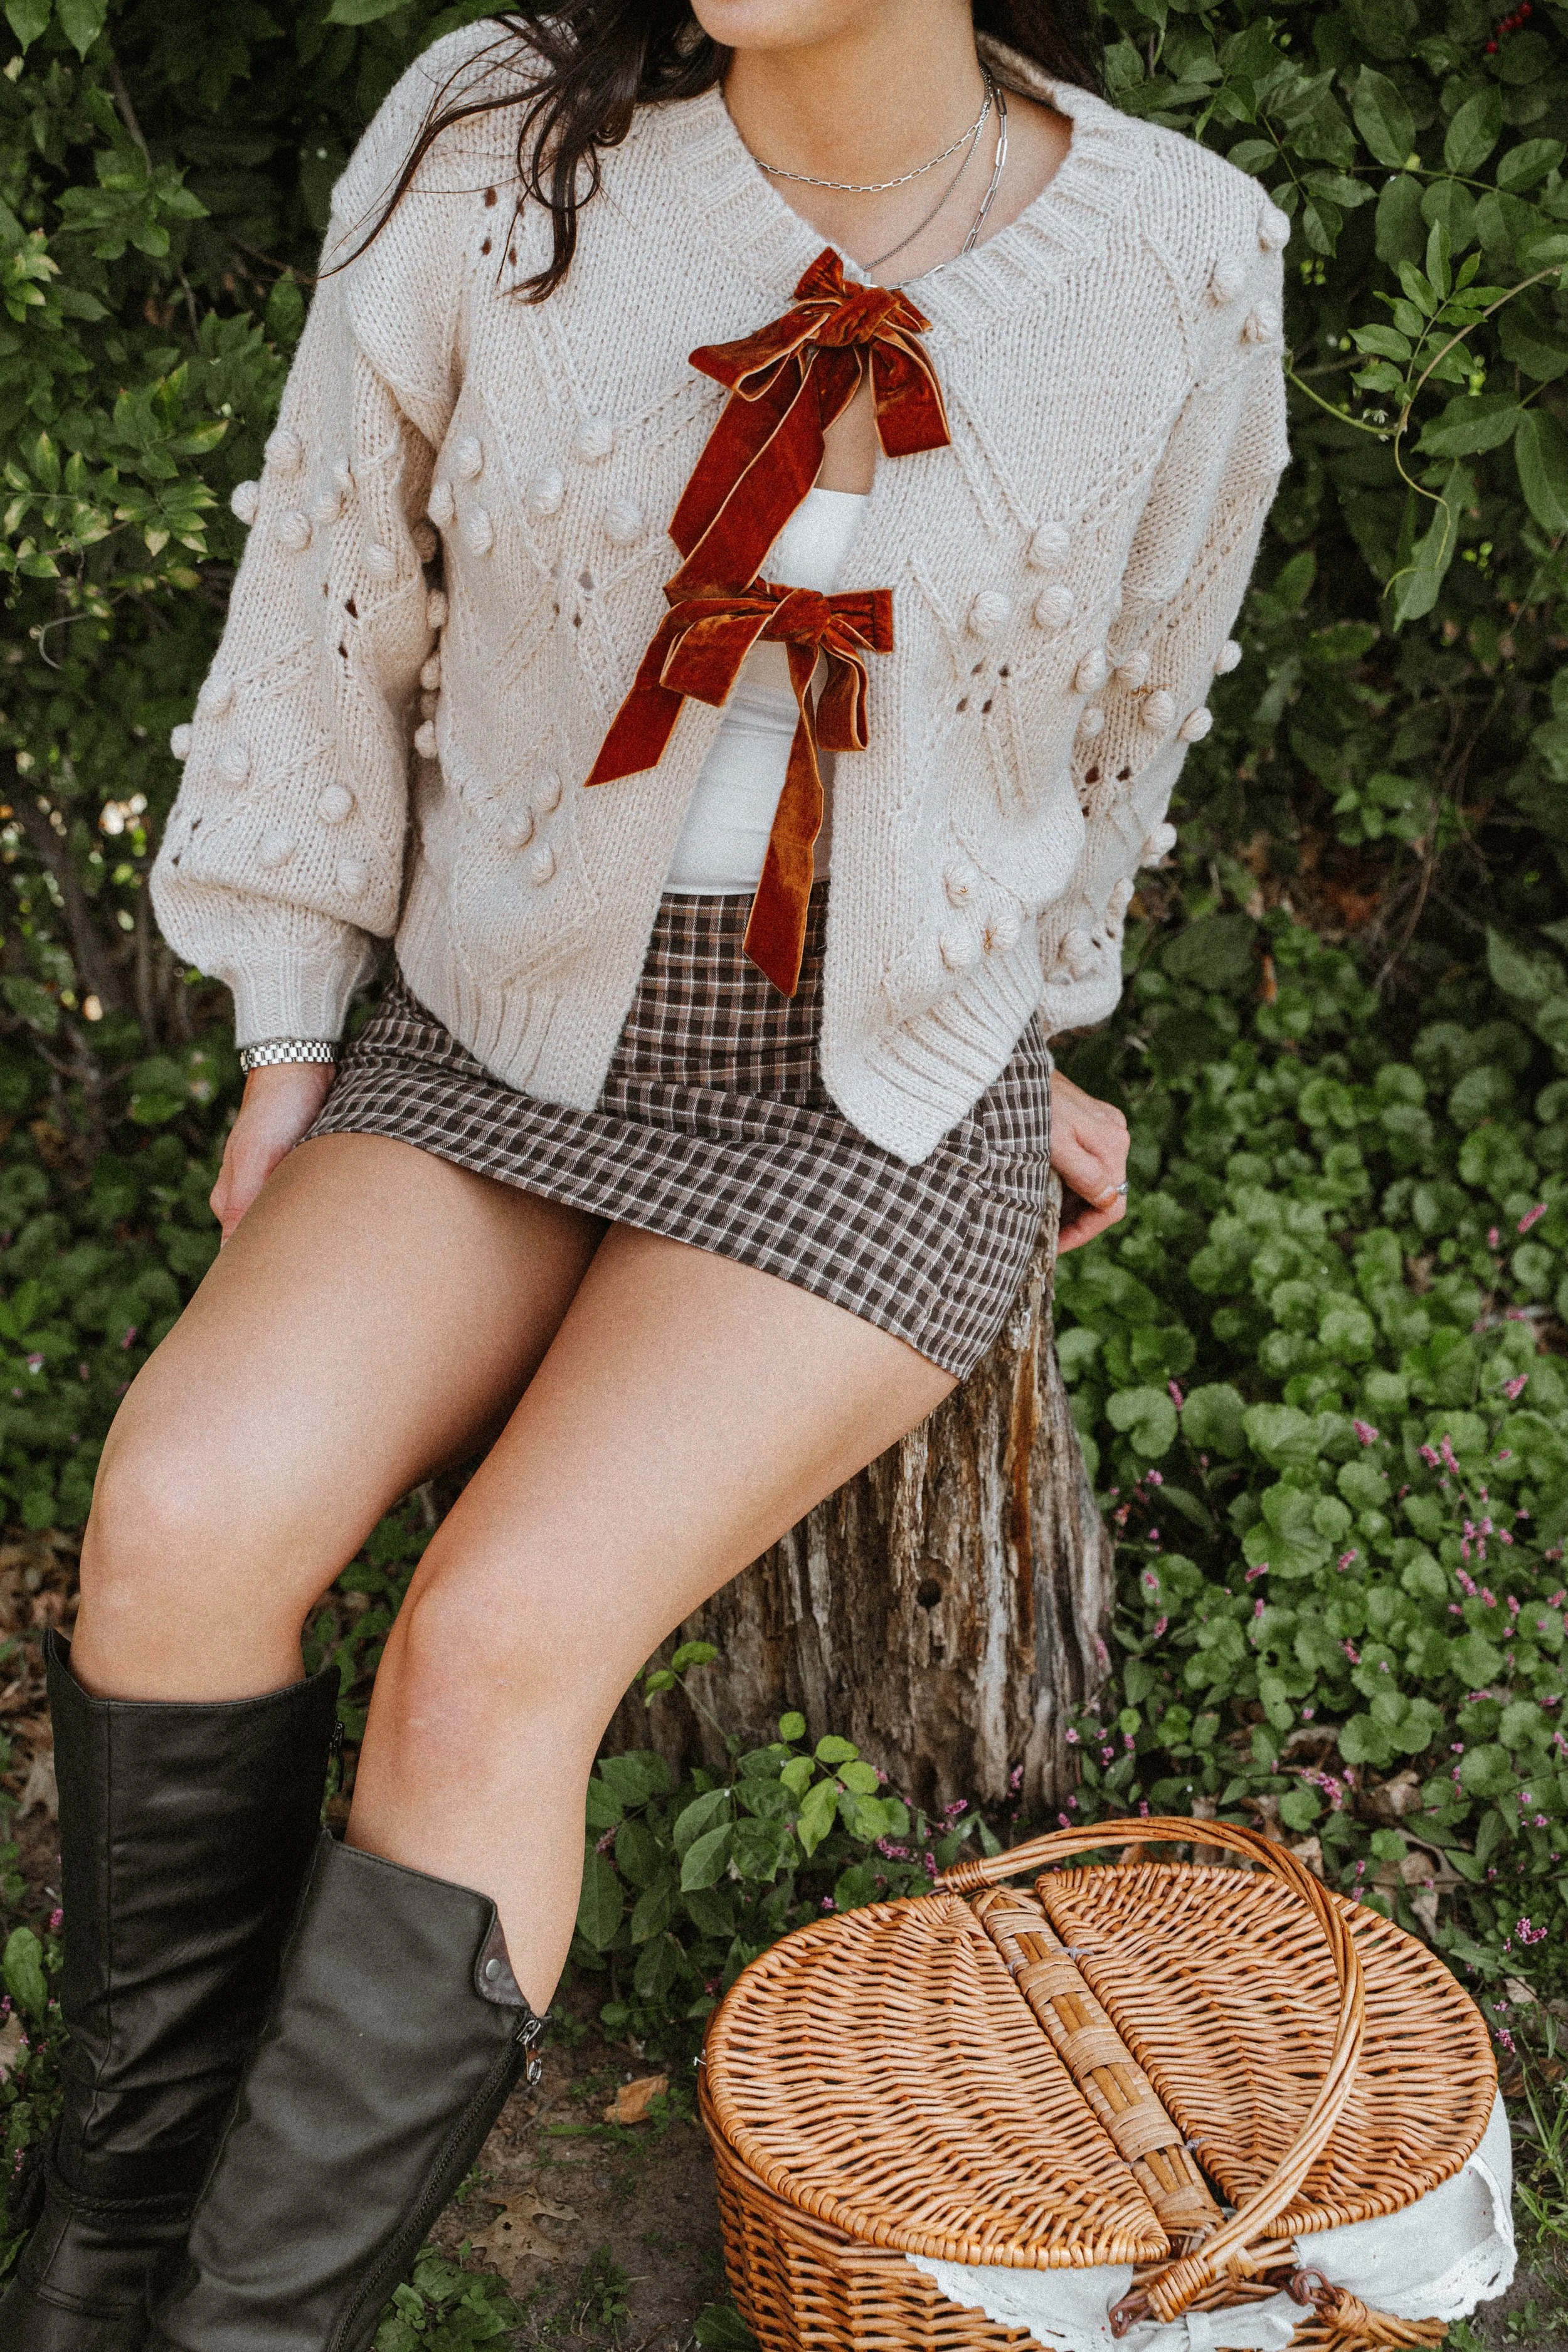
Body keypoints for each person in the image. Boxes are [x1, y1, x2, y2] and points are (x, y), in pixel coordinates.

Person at [1, 3, 1289, 2348]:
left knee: (489, 1653)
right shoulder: (503, 131)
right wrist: (294, 1028)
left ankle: (241, 2333)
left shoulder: (1181, 260)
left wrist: (1017, 1011)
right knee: (184, 1510)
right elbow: (325, 580)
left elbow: (1128, 709)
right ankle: (92, 2273)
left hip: (868, 1099)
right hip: (505, 1021)